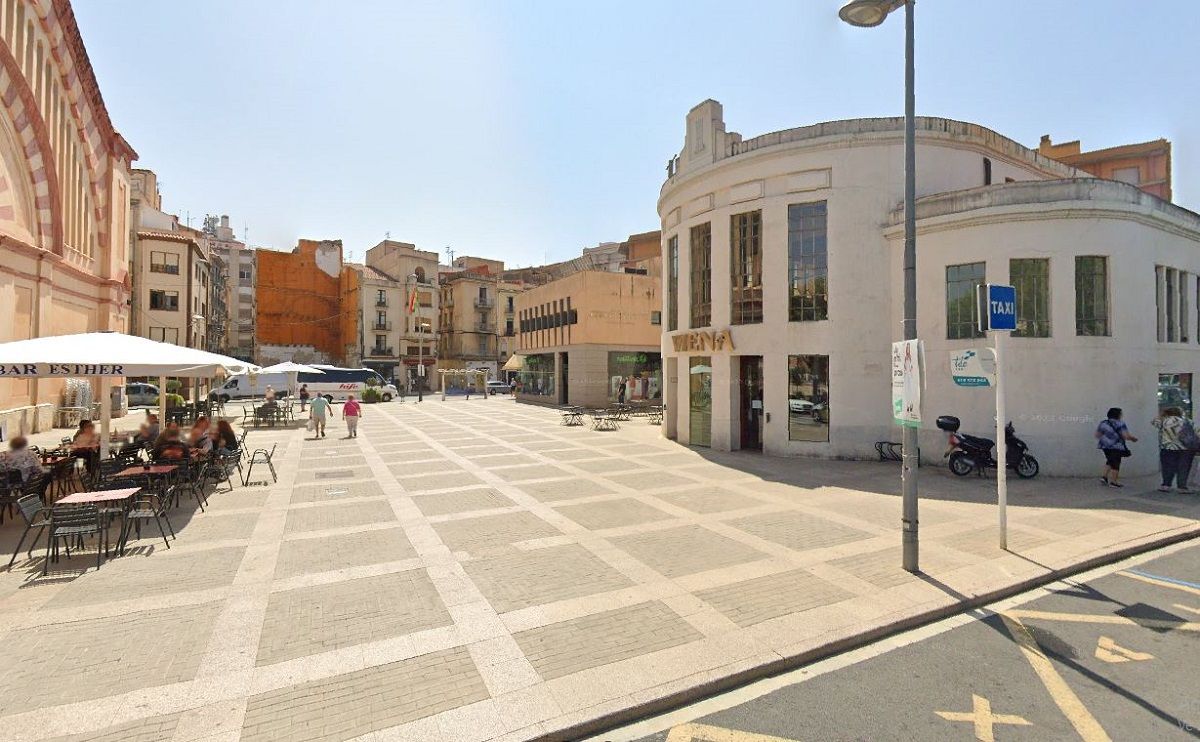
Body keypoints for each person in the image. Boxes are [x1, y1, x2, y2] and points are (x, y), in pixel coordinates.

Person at [1152, 406, 1194, 493]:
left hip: (1168, 448)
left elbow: (1154, 422)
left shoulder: (1163, 421)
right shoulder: (1187, 421)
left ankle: (1166, 485)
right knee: (1183, 468)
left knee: (1167, 467)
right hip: (1185, 448)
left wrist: (1162, 414)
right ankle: (1182, 487)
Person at [1096, 407, 1137, 488]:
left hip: (1105, 446)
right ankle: (1114, 482)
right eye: (1121, 413)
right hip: (1116, 446)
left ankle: (1104, 477)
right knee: (1116, 464)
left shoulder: (1103, 423)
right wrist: (1133, 439)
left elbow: (1098, 435)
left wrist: (1107, 438)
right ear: (1118, 415)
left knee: (1110, 461)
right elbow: (1125, 435)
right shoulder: (1120, 423)